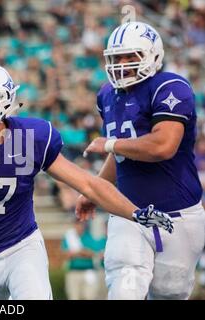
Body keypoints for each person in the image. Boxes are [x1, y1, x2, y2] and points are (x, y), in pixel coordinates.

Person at [0, 63, 173, 300]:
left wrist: (135, 213)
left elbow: (88, 184)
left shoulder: (31, 136)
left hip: (21, 250)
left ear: (2, 102)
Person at [78, 21, 205, 300]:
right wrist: (97, 190)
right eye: (115, 58)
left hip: (179, 214)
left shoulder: (169, 86)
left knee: (169, 293)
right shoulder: (107, 94)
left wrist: (110, 143)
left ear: (152, 55)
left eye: (129, 57)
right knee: (124, 286)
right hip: (129, 212)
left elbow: (162, 146)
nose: (121, 64)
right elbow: (122, 153)